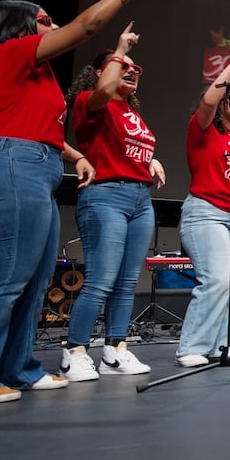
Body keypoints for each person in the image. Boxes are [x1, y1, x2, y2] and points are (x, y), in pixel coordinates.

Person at [0, 0, 149, 405]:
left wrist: (74, 153)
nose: (53, 23)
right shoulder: (11, 53)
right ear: (19, 26)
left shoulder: (33, 74)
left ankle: (18, 367)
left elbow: (33, 123)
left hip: (39, 164)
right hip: (14, 163)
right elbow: (84, 27)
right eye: (44, 19)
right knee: (6, 279)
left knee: (37, 279)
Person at [58, 25, 167, 381]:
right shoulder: (91, 100)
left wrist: (149, 160)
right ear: (103, 72)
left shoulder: (133, 113)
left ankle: (115, 350)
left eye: (136, 69)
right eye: (125, 67)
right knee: (101, 280)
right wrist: (120, 47)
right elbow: (104, 90)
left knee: (125, 281)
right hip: (106, 195)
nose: (132, 72)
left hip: (139, 198)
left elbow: (130, 147)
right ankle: (74, 351)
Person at [174, 41, 230, 366]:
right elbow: (210, 98)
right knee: (215, 280)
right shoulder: (201, 130)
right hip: (206, 212)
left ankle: (222, 345)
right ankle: (191, 348)